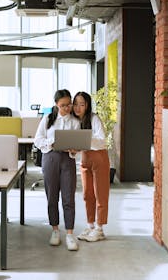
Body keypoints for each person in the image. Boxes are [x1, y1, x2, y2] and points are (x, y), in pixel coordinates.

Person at [34, 89, 80, 251]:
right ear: (56, 104)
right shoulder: (48, 119)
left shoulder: (75, 121)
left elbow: (78, 143)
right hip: (50, 158)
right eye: (63, 105)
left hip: (68, 159)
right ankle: (55, 230)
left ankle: (69, 233)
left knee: (68, 197)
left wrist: (75, 149)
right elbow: (37, 140)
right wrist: (52, 142)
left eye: (69, 104)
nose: (67, 108)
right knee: (52, 196)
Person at [72, 91, 110, 242]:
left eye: (82, 104)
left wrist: (84, 139)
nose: (78, 108)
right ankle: (91, 225)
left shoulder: (94, 118)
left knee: (100, 194)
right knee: (87, 194)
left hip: (99, 157)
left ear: (87, 105)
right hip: (85, 159)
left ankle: (100, 228)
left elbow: (102, 140)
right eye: (75, 104)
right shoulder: (74, 121)